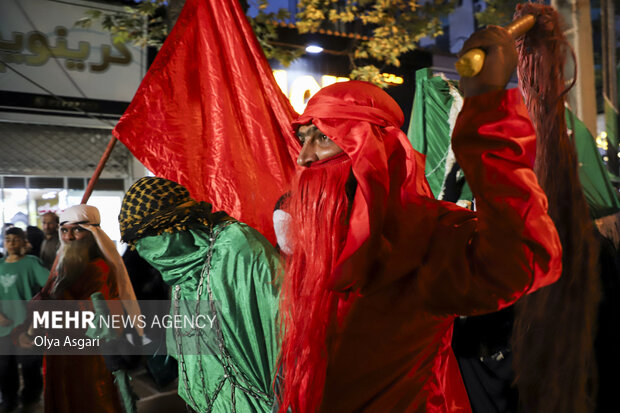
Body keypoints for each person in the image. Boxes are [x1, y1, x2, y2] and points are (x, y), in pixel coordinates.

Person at [276, 26, 563, 413]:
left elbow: (525, 255)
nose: (303, 158)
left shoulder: (432, 237)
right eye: (303, 138)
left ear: (371, 154)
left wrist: (487, 112)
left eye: (323, 138)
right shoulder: (305, 237)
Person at [118, 176, 281, 413]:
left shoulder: (237, 247)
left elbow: (283, 327)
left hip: (256, 402)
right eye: (136, 245)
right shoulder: (181, 270)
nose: (146, 253)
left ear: (176, 226)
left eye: (148, 240)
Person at [17, 205, 140, 413]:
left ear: (92, 233)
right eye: (64, 230)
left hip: (88, 353)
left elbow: (98, 316)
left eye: (77, 229)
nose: (69, 236)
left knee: (88, 399)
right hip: (58, 347)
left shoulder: (99, 268)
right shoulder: (64, 265)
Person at [0, 227, 48, 412]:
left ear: (23, 241)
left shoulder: (32, 263)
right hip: (3, 329)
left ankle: (30, 398)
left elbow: (50, 288)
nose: (11, 243)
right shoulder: (1, 265)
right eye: (8, 239)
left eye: (16, 239)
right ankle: (9, 400)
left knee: (29, 367)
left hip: (27, 328)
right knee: (4, 368)